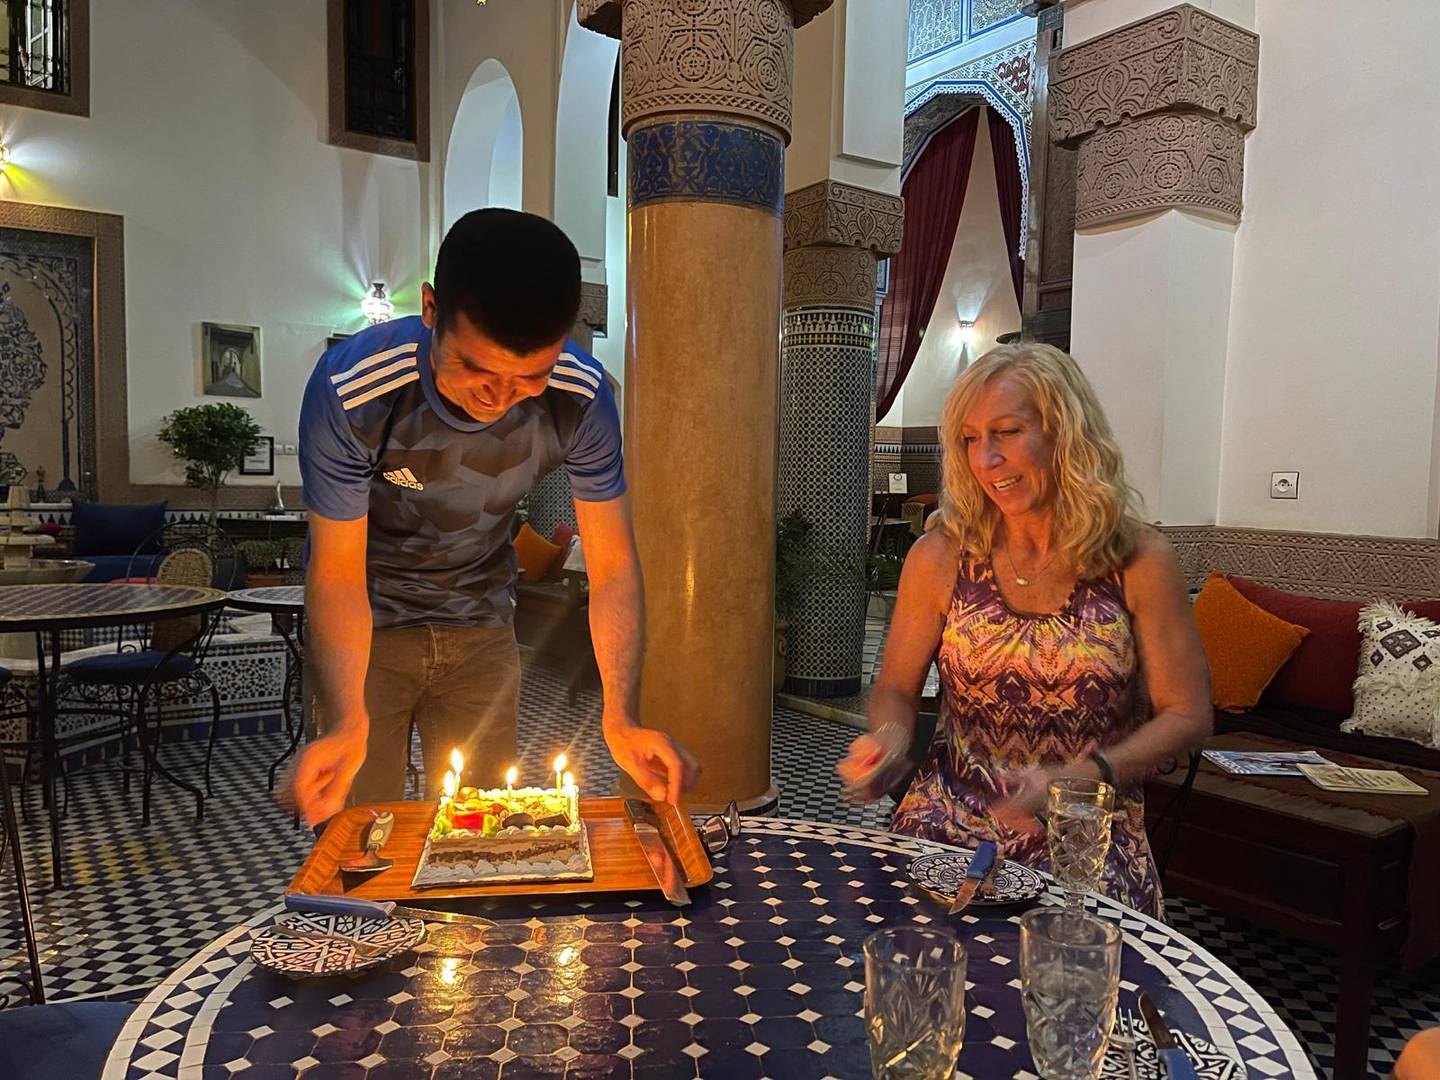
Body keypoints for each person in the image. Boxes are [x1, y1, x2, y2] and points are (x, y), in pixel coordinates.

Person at [288, 208, 697, 826]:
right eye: (475, 369)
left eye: (529, 377)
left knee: (483, 835)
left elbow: (613, 566)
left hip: (482, 626)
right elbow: (336, 574)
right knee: (362, 834)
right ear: (430, 309)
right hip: (369, 631)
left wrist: (621, 715)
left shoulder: (581, 396)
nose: (498, 397)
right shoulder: (355, 389)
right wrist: (345, 719)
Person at [837, 343, 1210, 917]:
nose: (986, 459)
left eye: (1007, 432)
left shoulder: (1138, 559)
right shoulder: (940, 557)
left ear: (1065, 433)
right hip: (945, 836)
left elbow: (1188, 715)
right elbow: (896, 688)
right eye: (970, 439)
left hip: (1083, 843)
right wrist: (887, 740)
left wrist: (1080, 778)